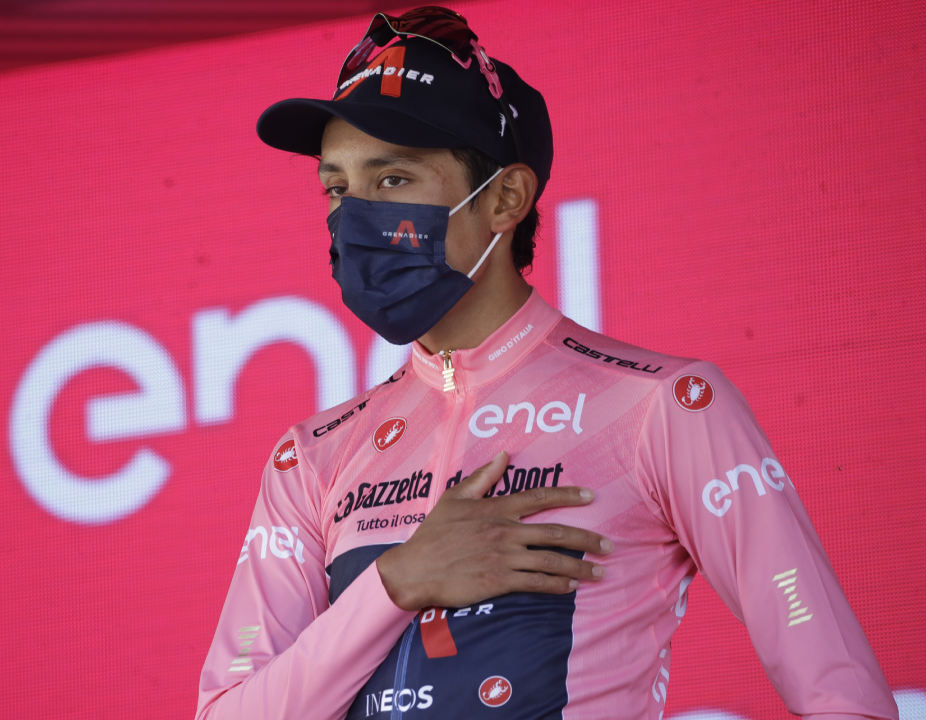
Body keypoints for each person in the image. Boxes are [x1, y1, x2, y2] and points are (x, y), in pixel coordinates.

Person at [196, 7, 897, 719]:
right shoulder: (310, 457)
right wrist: (398, 583)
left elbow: (845, 698)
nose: (354, 217)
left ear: (505, 198)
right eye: (337, 188)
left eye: (394, 179)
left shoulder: (665, 404)